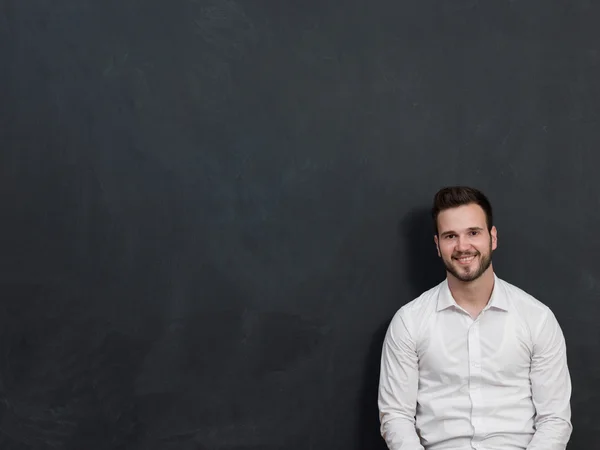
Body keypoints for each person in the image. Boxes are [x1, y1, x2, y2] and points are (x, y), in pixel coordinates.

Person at [378, 186, 572, 450]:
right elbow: (396, 416)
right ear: (438, 245)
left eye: (473, 233)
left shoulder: (537, 318)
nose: (462, 246)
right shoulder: (409, 322)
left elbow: (555, 420)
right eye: (450, 236)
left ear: (493, 238)